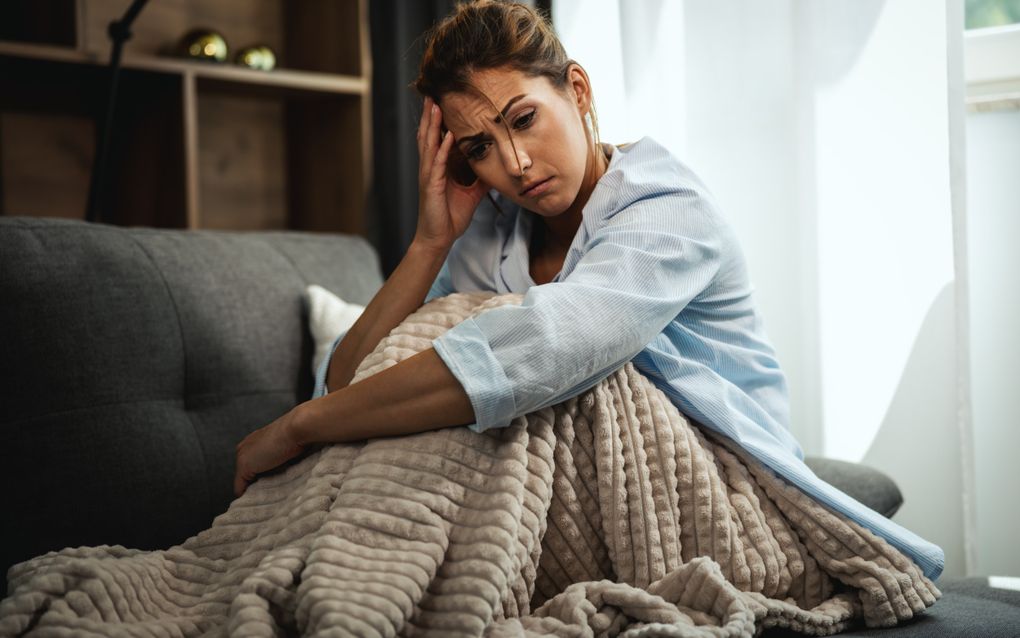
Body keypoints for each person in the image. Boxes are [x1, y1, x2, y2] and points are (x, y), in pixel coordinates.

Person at [233, 0, 944, 580]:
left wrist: (296, 427)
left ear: (576, 91)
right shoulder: (491, 229)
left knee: (546, 366)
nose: (513, 163)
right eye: (479, 148)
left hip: (719, 488)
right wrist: (430, 245)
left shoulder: (669, 210)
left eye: (523, 120)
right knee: (447, 352)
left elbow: (544, 348)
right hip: (578, 509)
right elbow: (350, 380)